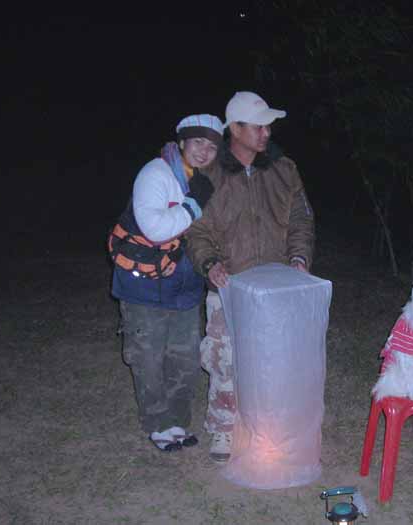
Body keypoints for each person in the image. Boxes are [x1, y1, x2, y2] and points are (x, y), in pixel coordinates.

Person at [186, 92, 315, 463]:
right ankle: (223, 428)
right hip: (228, 284)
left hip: (275, 286)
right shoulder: (208, 174)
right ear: (236, 129)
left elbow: (302, 220)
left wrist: (299, 258)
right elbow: (196, 230)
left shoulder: (284, 169)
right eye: (259, 126)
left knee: (273, 362)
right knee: (224, 359)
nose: (266, 132)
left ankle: (268, 429)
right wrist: (210, 263)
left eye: (268, 126)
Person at [110, 114, 223, 452]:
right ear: (182, 141)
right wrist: (193, 205)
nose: (204, 151)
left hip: (185, 287)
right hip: (144, 287)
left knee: (185, 359)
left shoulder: (202, 179)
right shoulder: (155, 173)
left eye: (212, 146)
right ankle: (157, 424)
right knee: (148, 359)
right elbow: (155, 229)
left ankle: (177, 421)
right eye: (198, 142)